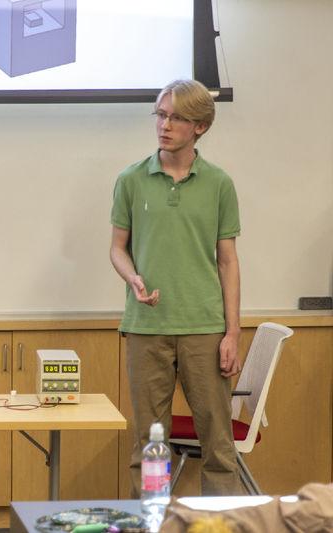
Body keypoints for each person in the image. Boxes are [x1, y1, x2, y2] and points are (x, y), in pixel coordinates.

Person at [109, 79, 244, 496]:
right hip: (146, 329)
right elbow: (117, 249)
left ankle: (223, 526)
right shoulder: (131, 179)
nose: (165, 125)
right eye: (161, 115)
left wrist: (233, 332)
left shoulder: (219, 183)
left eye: (177, 118)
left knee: (219, 445)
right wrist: (132, 278)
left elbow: (227, 260)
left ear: (200, 126)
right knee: (150, 446)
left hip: (205, 327)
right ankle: (150, 523)